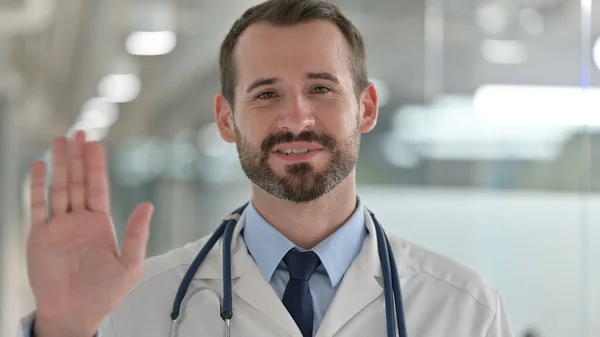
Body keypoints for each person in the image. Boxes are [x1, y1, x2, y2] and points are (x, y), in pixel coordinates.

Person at [19, 0, 513, 336]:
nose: (296, 118)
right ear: (226, 119)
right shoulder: (134, 307)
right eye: (266, 94)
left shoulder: (464, 310)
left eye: (321, 89)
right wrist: (62, 328)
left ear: (366, 108)